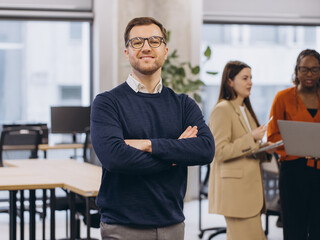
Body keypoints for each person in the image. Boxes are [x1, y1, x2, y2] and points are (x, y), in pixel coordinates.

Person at [90, 17, 215, 240]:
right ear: (126, 52)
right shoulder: (107, 102)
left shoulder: (184, 104)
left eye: (154, 41)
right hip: (122, 226)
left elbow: (205, 149)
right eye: (137, 42)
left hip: (172, 224)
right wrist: (177, 152)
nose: (146, 47)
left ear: (165, 51)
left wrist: (148, 145)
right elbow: (114, 158)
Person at [267, 49, 320, 240]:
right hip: (292, 171)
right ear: (296, 71)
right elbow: (273, 136)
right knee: (294, 227)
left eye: (314, 70)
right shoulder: (282, 98)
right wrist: (297, 146)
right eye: (304, 69)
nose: (309, 74)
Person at [208, 61, 272, 240]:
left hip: (249, 193)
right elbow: (219, 151)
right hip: (236, 194)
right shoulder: (222, 110)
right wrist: (251, 138)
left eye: (251, 78)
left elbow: (247, 148)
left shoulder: (245, 109)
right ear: (230, 81)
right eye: (245, 78)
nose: (250, 82)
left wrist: (265, 149)